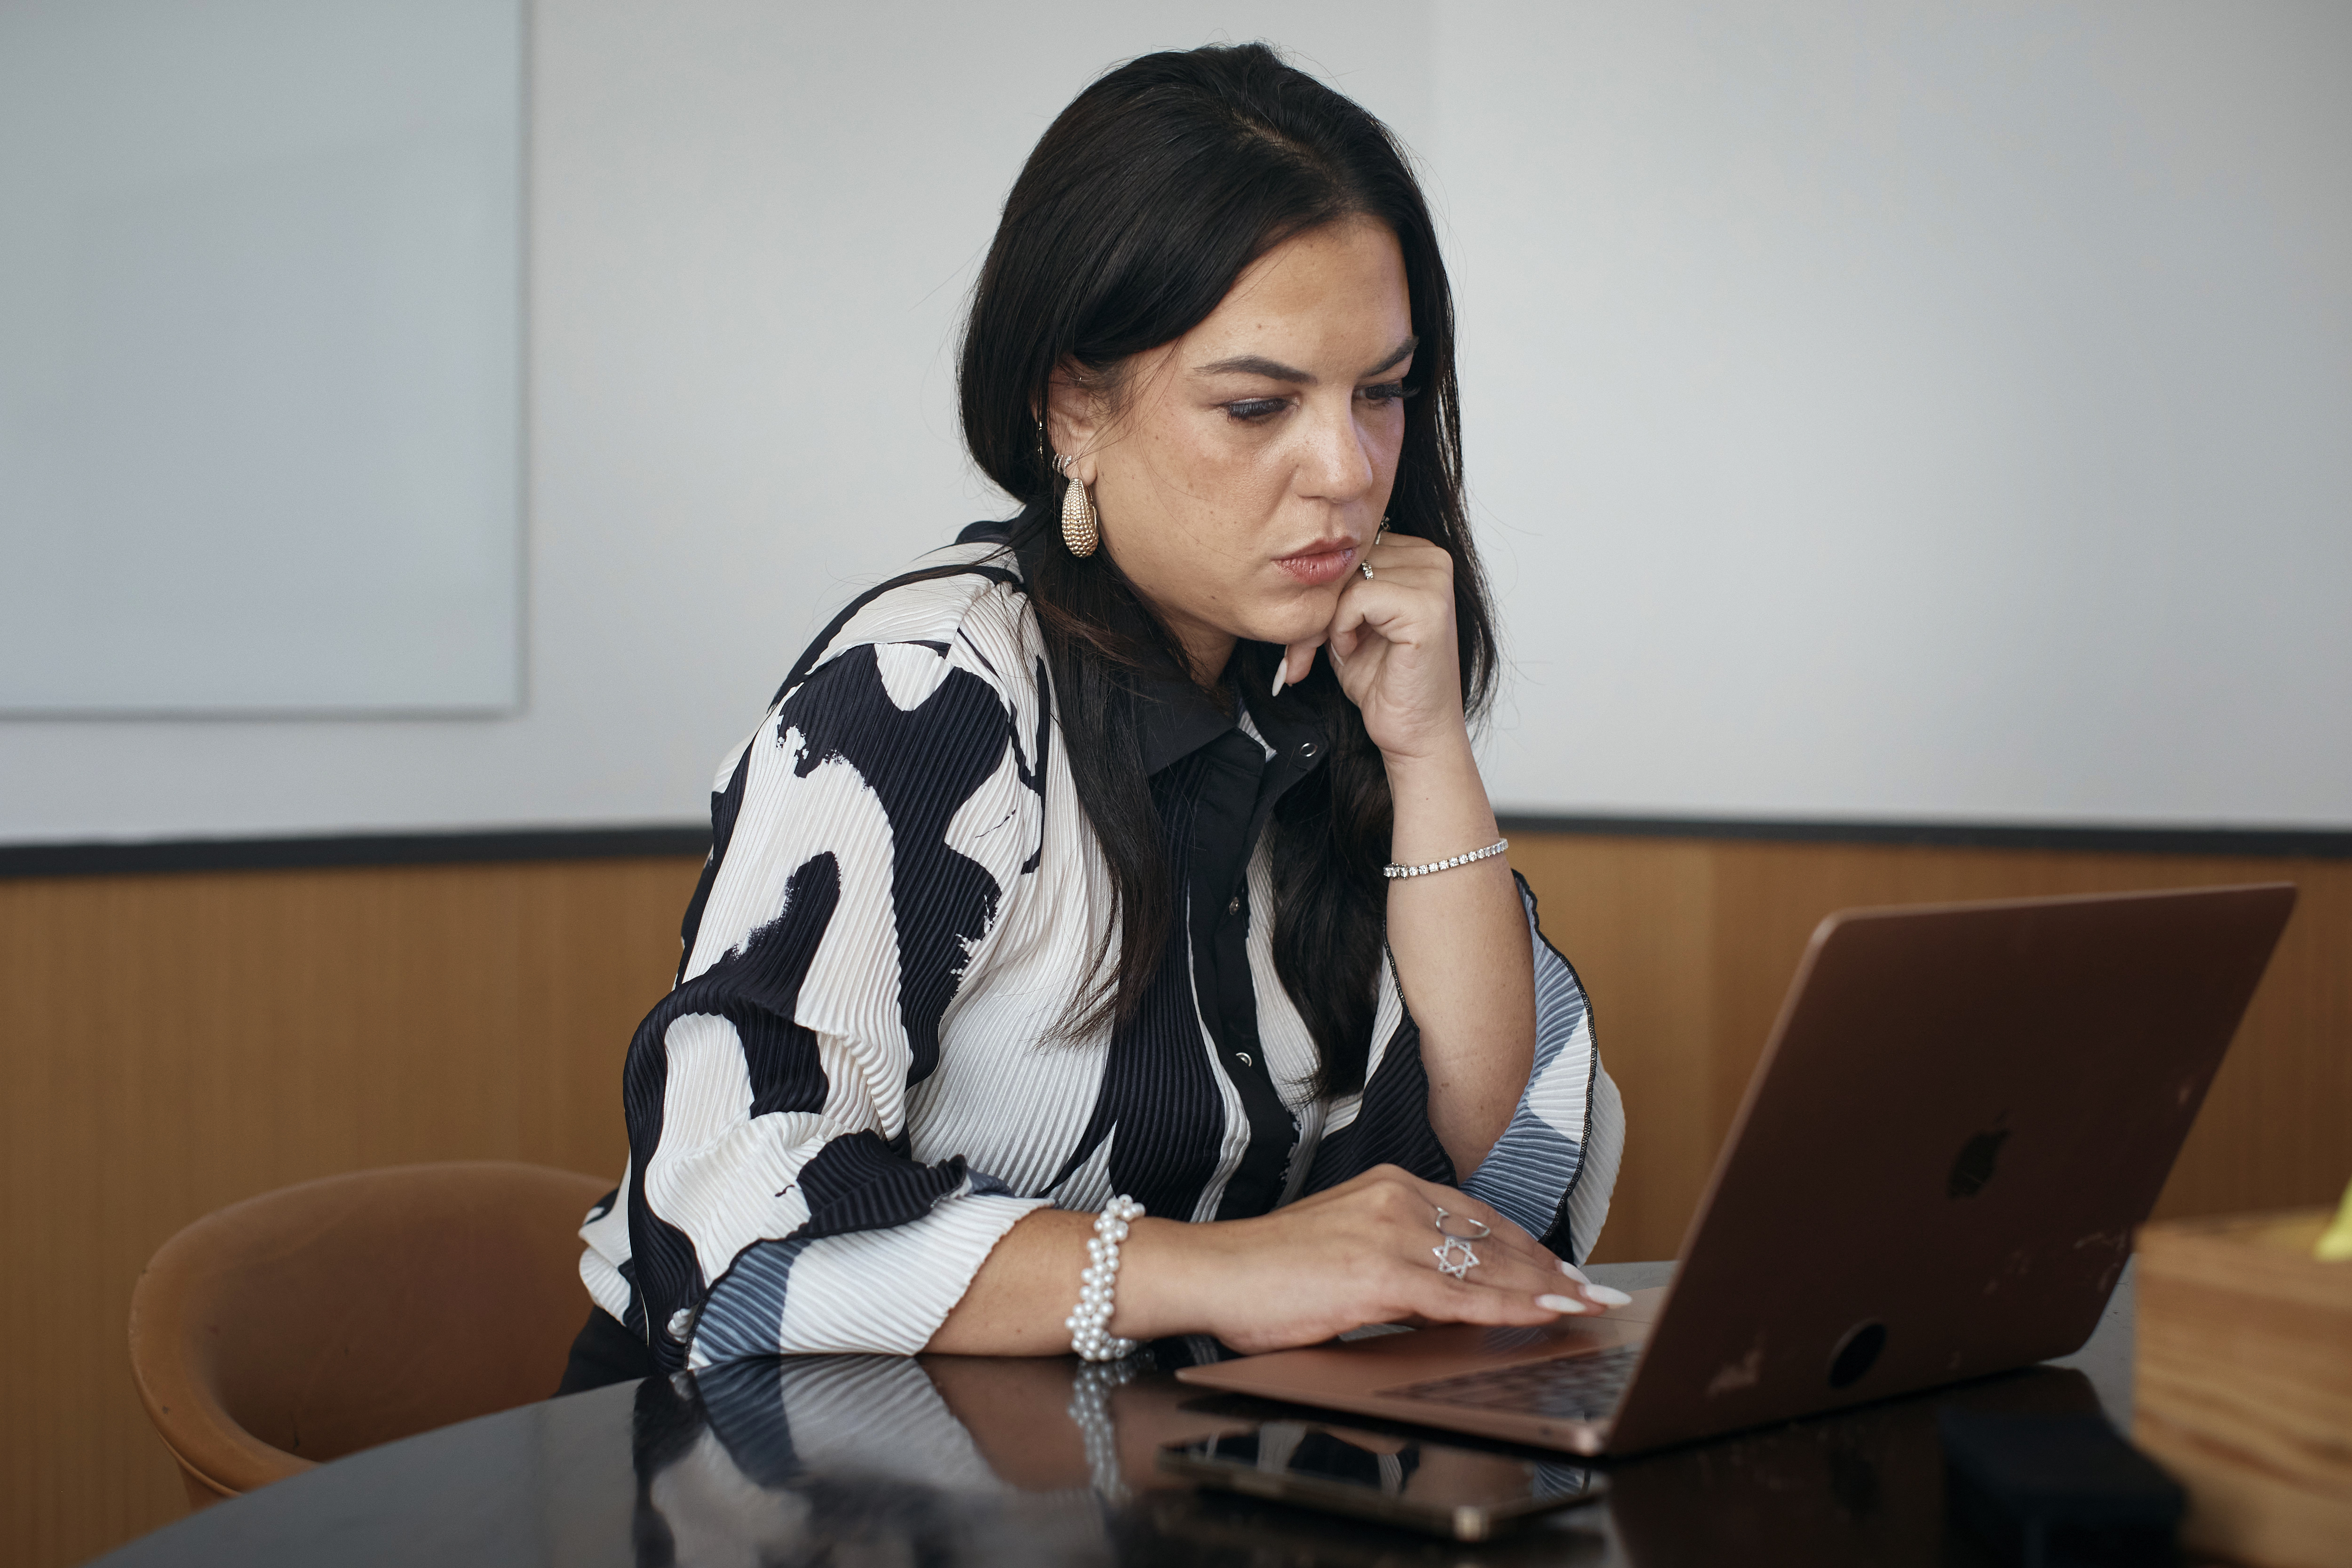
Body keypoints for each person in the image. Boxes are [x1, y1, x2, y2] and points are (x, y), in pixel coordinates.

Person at [562, 41, 1624, 1392]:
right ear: (1074, 407)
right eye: (1257, 405)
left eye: (1384, 392)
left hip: (1110, 1460)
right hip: (771, 1460)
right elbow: (722, 1215)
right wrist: (1230, 1271)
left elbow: (1475, 1154)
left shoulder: (1320, 666)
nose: (1349, 472)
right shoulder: (930, 691)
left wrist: (1427, 750)